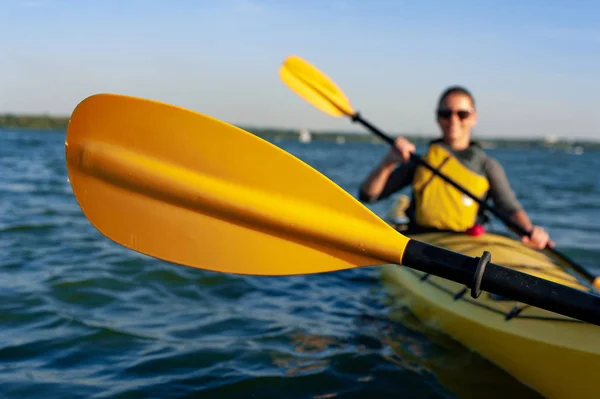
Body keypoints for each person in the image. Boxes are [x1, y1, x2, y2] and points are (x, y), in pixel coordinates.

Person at [358, 86, 553, 250]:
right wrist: (388, 162)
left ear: (473, 117)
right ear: (437, 117)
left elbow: (509, 208)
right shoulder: (421, 161)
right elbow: (369, 196)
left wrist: (530, 231)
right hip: (422, 241)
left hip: (466, 244)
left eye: (462, 113)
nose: (453, 120)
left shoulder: (487, 166)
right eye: (446, 113)